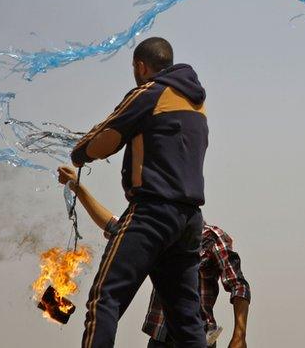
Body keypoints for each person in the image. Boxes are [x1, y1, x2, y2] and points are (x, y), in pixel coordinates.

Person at [70, 36, 209, 348]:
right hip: (189, 221)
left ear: (141, 66)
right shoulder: (196, 103)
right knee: (186, 320)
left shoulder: (149, 92)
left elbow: (107, 136)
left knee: (105, 298)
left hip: (152, 213)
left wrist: (78, 153)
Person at [57, 166, 251, 348]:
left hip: (196, 338)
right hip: (159, 339)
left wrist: (239, 336)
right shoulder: (153, 233)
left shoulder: (211, 237)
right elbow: (113, 225)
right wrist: (77, 187)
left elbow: (238, 285)